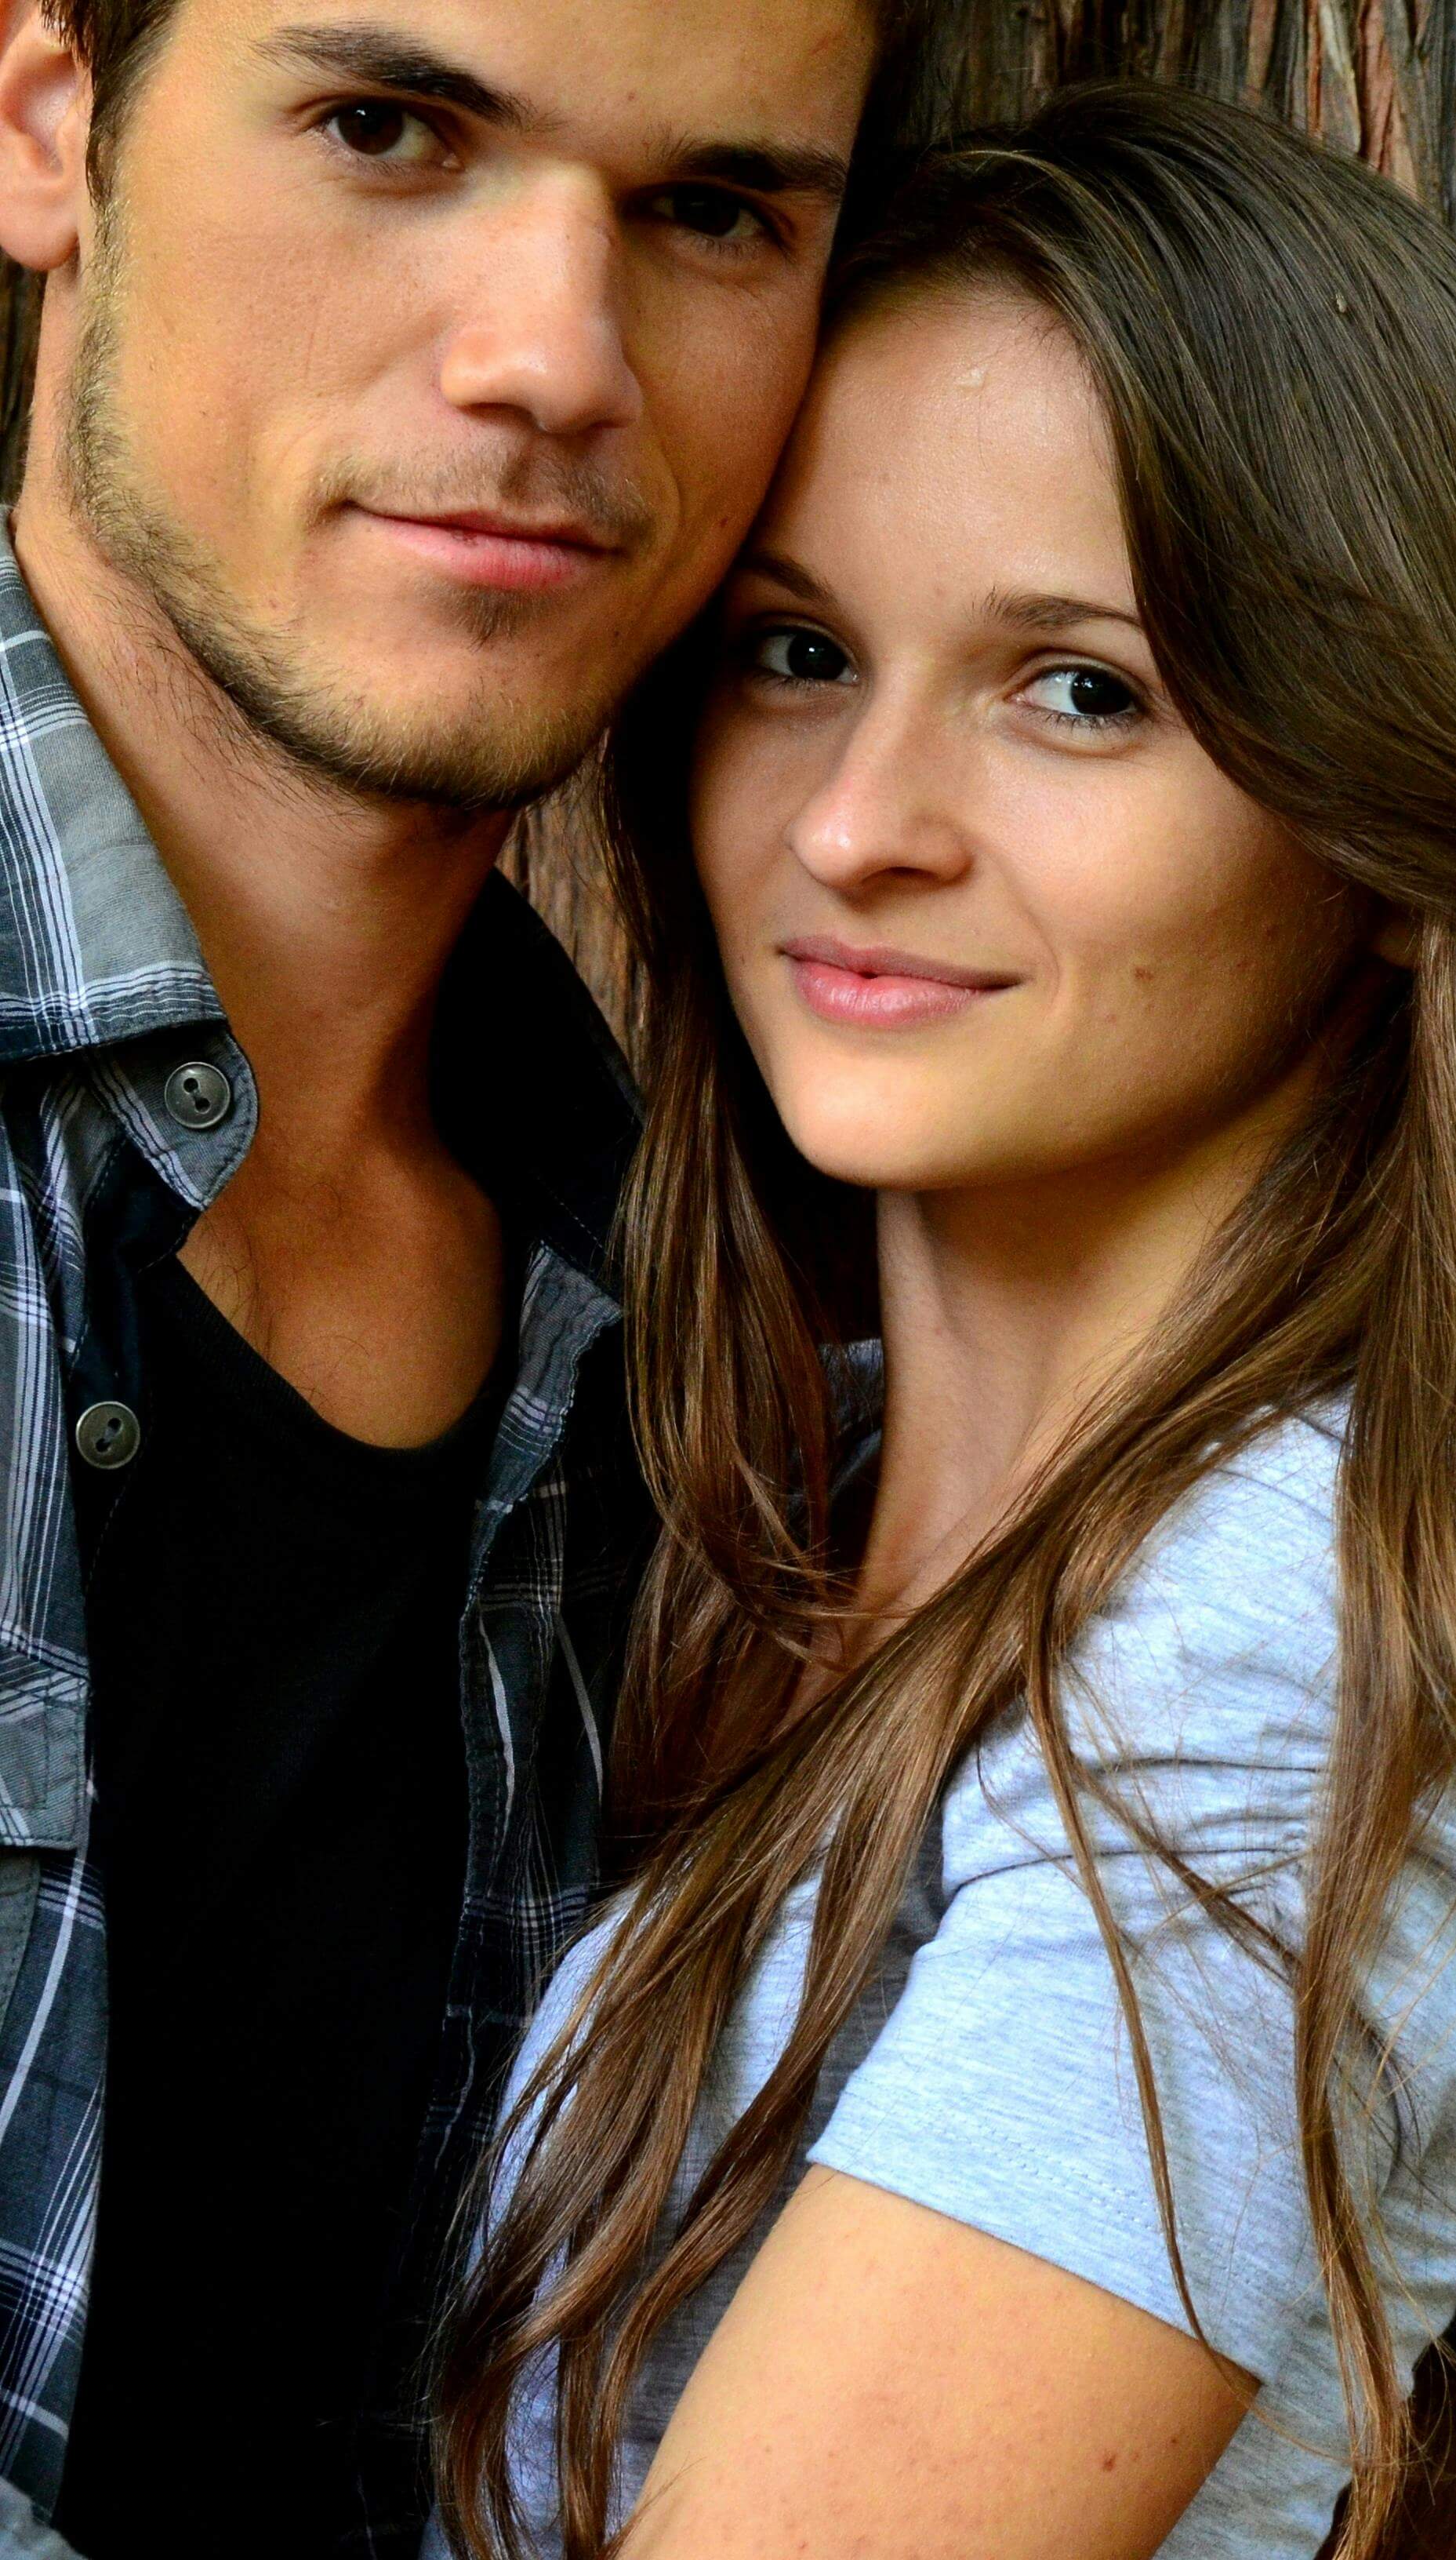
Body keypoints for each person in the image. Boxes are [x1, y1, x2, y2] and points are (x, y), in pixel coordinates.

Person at [432, 85, 1456, 2560]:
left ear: (1386, 841)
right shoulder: (732, 1495)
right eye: (802, 652)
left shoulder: (1285, 1648)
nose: (859, 821)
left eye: (1079, 693)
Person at [0, 1, 902, 2551]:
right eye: (389, 130)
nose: (553, 365)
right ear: (51, 123)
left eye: (715, 212)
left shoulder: (712, 1337)